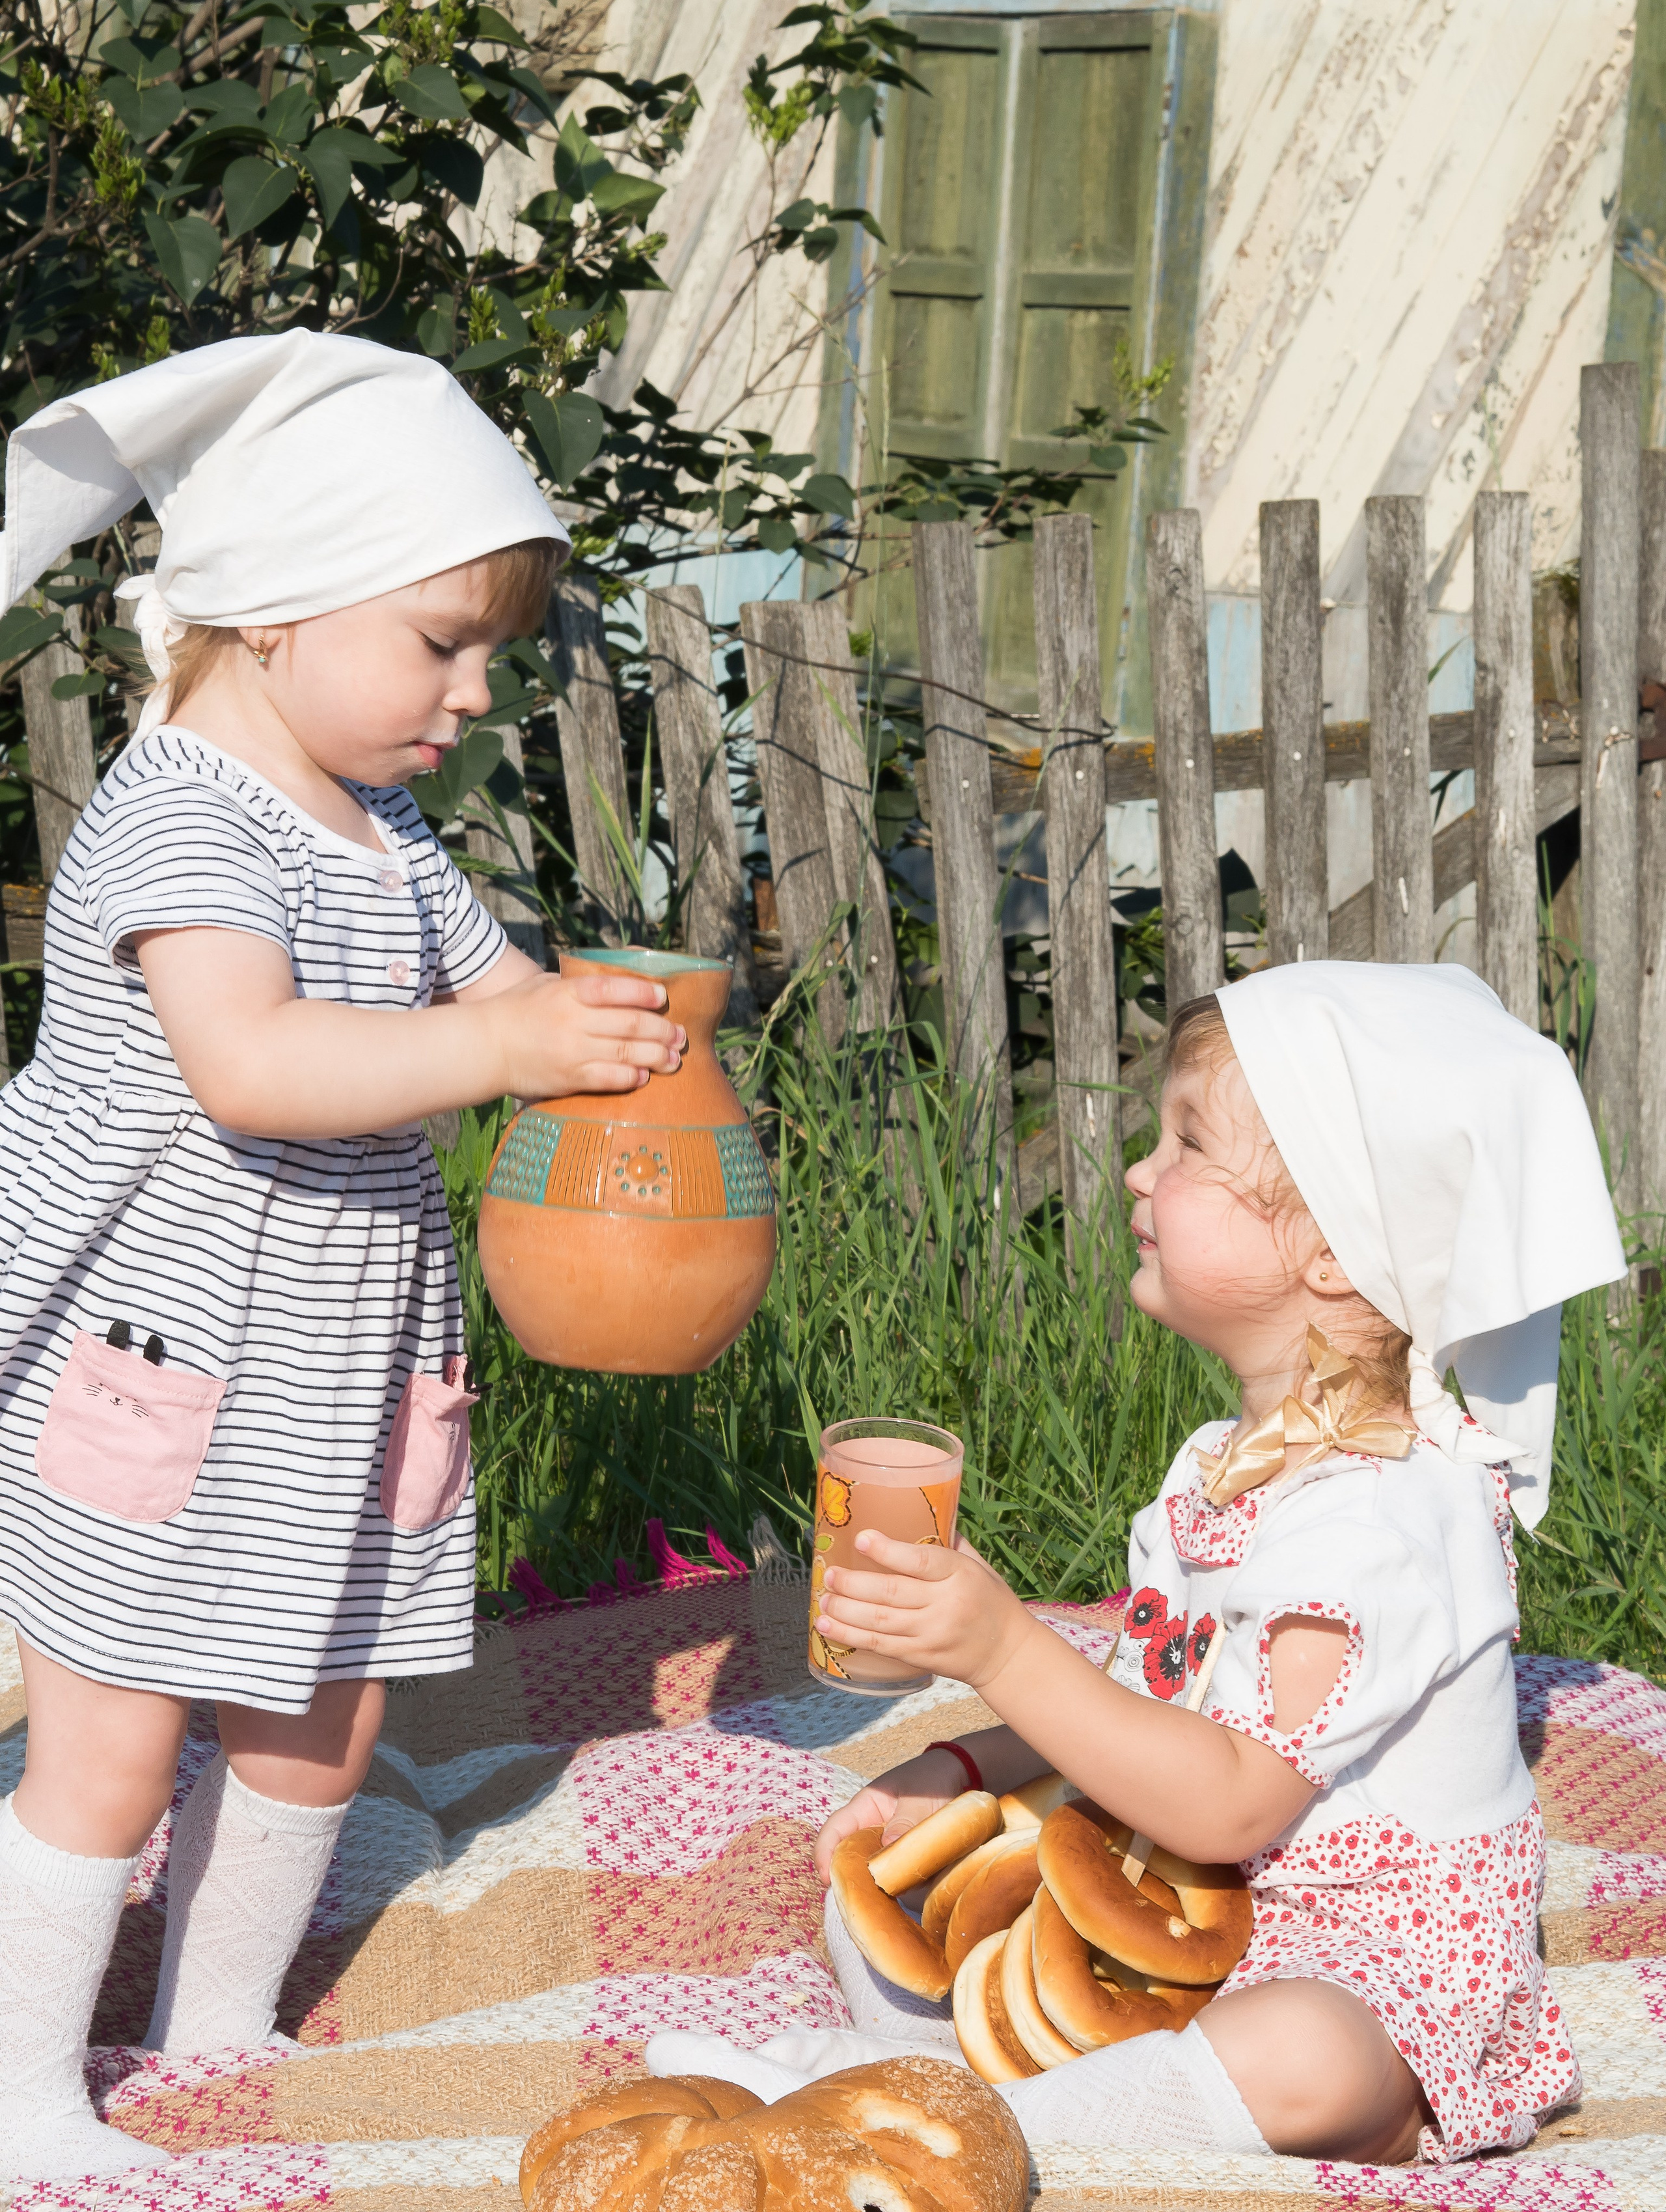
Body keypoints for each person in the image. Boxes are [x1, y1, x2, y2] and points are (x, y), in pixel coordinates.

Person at [0, 331, 687, 2183]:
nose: (473, 693)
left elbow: (500, 995)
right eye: (440, 641)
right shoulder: (179, 814)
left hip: (344, 1367)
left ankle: (215, 2030)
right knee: (110, 1741)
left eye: (488, 654)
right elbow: (256, 1063)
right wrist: (502, 1046)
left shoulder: (382, 829)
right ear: (279, 606)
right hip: (167, 1366)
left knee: (324, 1713)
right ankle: (18, 2098)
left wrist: (594, 1034)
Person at [648, 961, 1625, 2166]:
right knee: (888, 1875)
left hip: (1369, 1964)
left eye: (1188, 1144)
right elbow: (1144, 1710)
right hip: (1188, 1907)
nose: (1138, 1172)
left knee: (1307, 2051)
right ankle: (944, 2066)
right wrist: (959, 1765)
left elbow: (1230, 1800)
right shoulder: (1217, 1464)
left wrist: (1003, 1649)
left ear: (1331, 1247)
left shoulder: (1380, 1522)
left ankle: (930, 2111)